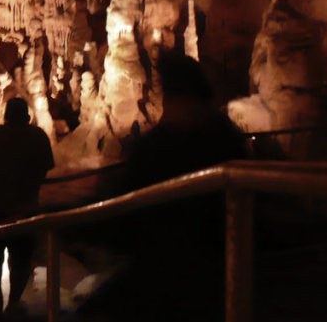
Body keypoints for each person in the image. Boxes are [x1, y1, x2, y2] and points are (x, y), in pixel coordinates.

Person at [78, 52, 247, 321]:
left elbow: (121, 214)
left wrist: (64, 221)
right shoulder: (227, 139)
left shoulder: (158, 148)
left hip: (168, 276)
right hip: (222, 271)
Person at [0, 97, 55, 316]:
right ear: (27, 117)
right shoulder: (37, 137)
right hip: (22, 210)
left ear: (5, 116)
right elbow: (44, 170)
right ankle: (14, 303)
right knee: (20, 262)